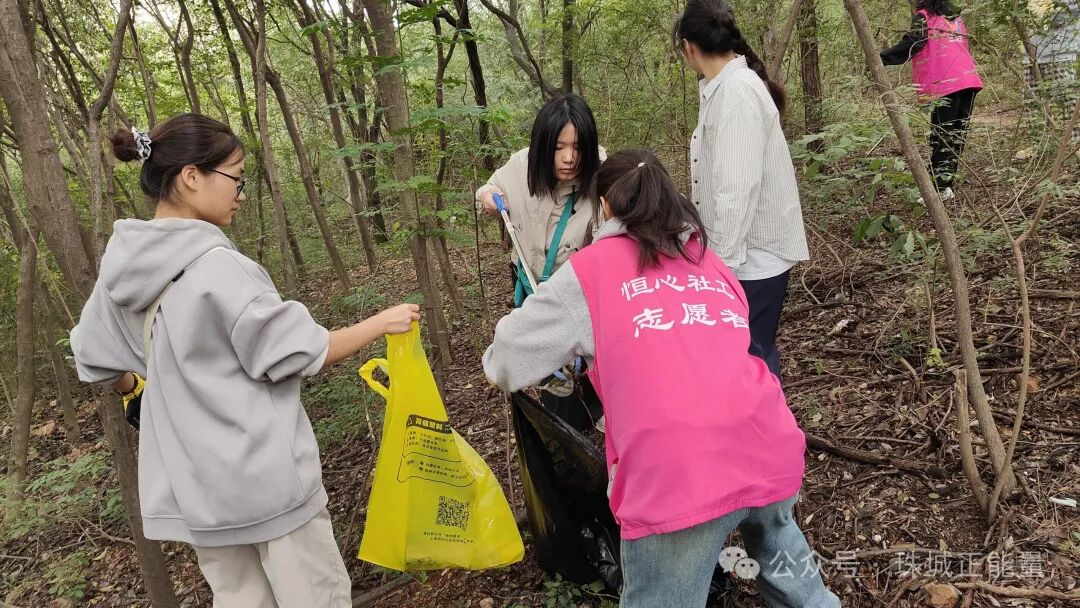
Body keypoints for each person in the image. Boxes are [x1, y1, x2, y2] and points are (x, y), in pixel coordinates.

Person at [69, 113, 420, 608]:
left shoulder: (121, 269)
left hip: (200, 495)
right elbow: (301, 353)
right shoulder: (220, 267)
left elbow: (91, 354)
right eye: (235, 177)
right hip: (270, 486)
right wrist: (380, 323)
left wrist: (134, 387)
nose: (241, 193)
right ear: (191, 177)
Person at [483, 149, 839, 608]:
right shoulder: (709, 261)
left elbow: (504, 361)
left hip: (678, 475)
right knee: (797, 583)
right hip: (768, 445)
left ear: (606, 208)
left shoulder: (591, 271)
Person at [675, 0, 810, 381]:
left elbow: (737, 191)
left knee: (751, 356)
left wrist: (722, 270)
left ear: (689, 47)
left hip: (752, 257)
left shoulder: (736, 94)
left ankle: (770, 436)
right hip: (741, 256)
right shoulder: (724, 88)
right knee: (745, 354)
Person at [476, 93, 606, 429]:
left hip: (582, 299)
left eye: (577, 147)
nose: (569, 158)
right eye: (559, 147)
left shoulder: (603, 174)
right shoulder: (522, 165)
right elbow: (488, 189)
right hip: (534, 294)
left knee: (594, 376)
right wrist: (489, 198)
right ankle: (571, 438)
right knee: (557, 391)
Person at [881, 0, 984, 200]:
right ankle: (946, 184)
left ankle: (939, 188)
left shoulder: (924, 16)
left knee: (942, 134)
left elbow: (913, 43)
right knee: (955, 134)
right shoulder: (956, 17)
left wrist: (882, 58)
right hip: (969, 79)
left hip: (946, 82)